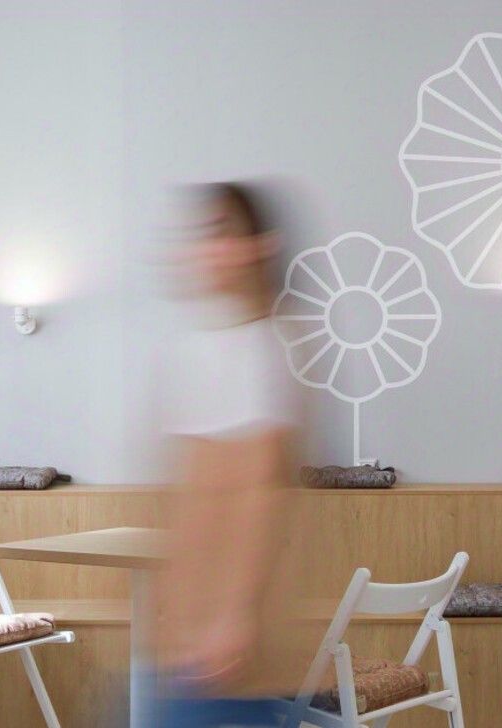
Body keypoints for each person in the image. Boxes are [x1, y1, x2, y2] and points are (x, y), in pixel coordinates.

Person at [154, 182, 304, 727]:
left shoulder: (261, 350)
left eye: (220, 234)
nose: (204, 249)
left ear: (259, 247)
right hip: (183, 644)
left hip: (222, 654)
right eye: (201, 235)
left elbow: (261, 494)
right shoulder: (204, 347)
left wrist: (235, 619)